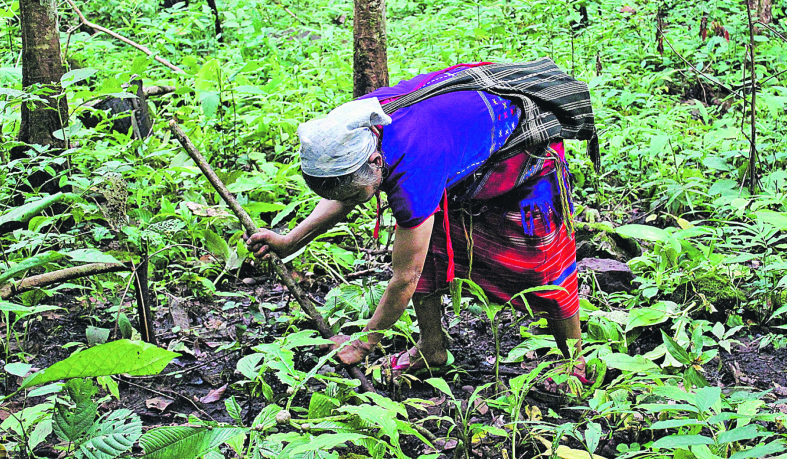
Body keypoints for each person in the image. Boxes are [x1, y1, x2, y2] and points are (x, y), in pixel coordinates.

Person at [245, 60, 596, 384]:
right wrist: (290, 241)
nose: (349, 203)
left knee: (544, 270)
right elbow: (346, 193)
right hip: (458, 150)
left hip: (521, 155)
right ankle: (432, 350)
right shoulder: (355, 125)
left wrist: (365, 343)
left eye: (354, 194)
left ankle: (574, 362)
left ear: (376, 160)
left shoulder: (414, 167)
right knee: (428, 255)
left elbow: (403, 279)